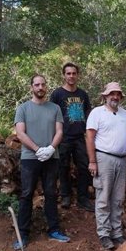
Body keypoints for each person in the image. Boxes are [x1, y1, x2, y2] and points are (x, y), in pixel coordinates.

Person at [14, 74, 70, 248]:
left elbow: (59, 131)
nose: (40, 87)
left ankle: (54, 230)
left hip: (51, 157)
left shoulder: (54, 108)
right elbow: (20, 133)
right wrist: (37, 149)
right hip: (30, 158)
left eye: (43, 85)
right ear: (31, 87)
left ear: (46, 87)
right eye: (37, 85)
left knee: (51, 193)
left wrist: (51, 148)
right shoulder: (23, 108)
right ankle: (22, 234)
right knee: (26, 194)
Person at [86, 82, 126, 250]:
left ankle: (116, 232)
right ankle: (104, 233)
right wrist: (92, 161)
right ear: (105, 96)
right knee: (103, 197)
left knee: (118, 199)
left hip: (122, 159)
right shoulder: (97, 113)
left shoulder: (125, 114)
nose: (115, 97)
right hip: (103, 157)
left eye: (117, 94)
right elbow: (90, 137)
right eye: (111, 94)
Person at [49, 62, 94, 211]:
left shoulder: (83, 94)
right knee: (63, 166)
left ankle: (83, 198)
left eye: (74, 73)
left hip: (80, 136)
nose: (71, 76)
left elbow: (88, 113)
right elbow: (51, 114)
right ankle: (65, 195)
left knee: (83, 166)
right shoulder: (57, 94)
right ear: (64, 75)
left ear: (77, 75)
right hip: (64, 136)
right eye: (68, 73)